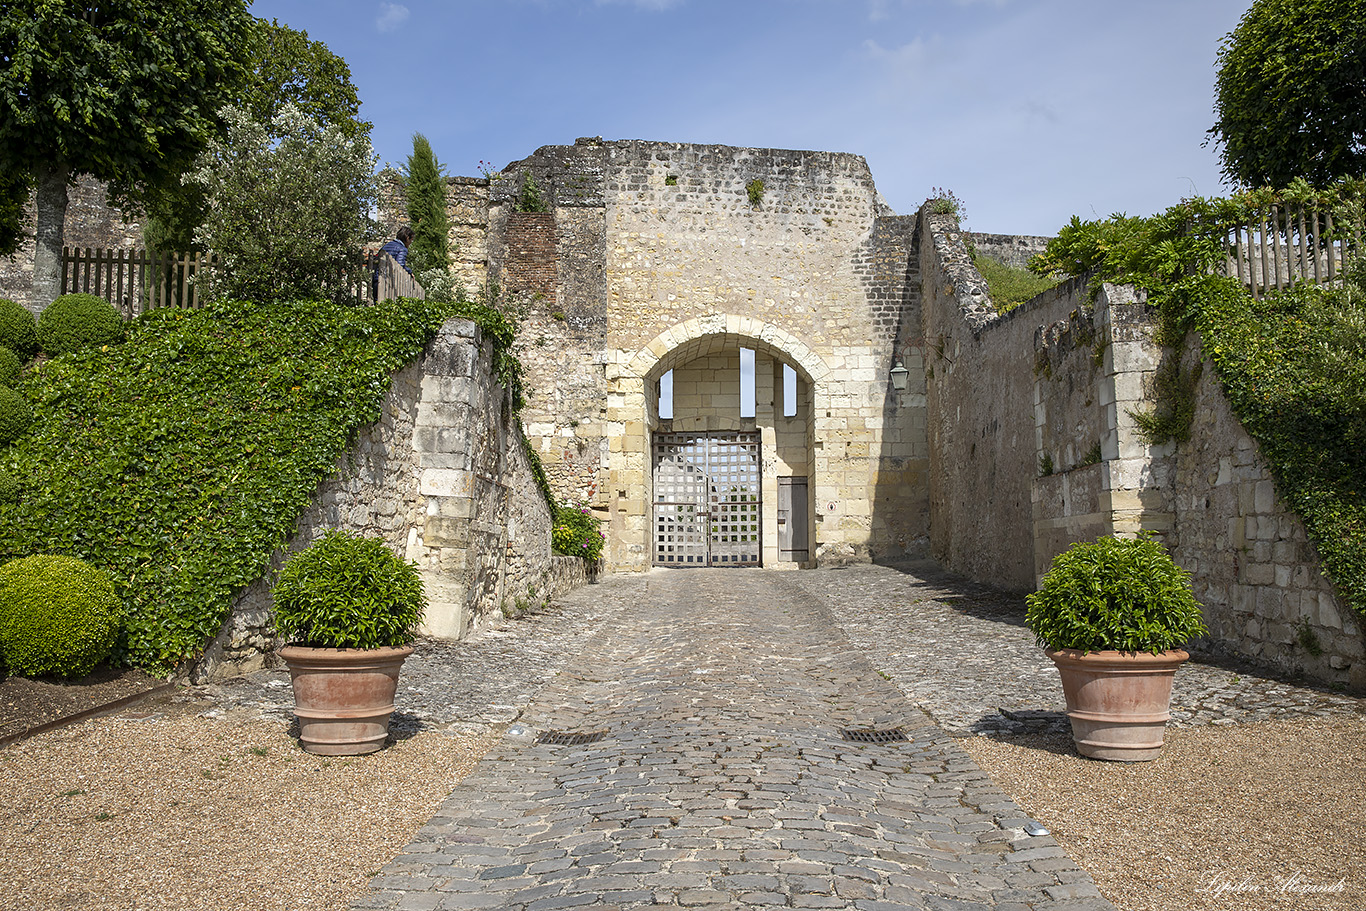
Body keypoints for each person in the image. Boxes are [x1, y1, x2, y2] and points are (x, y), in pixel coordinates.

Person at [373, 225, 415, 301]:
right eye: (411, 240)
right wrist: (410, 271)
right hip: (388, 283)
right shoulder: (402, 249)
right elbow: (399, 266)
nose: (410, 243)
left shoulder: (387, 245)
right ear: (407, 238)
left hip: (377, 279)